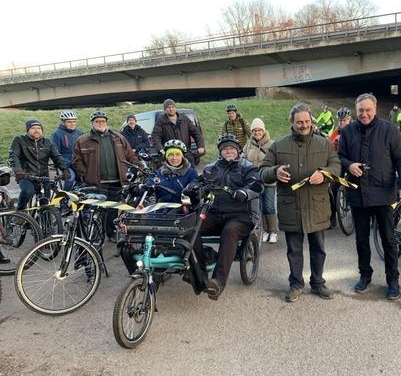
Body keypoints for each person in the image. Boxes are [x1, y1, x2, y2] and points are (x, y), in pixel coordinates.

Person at [260, 103, 340, 303]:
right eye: (299, 122)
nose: (303, 125)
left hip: (317, 204)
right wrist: (274, 172)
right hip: (291, 205)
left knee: (318, 248)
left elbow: (336, 166)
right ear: (292, 123)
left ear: (311, 121)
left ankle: (318, 282)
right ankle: (296, 284)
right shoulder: (279, 145)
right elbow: (262, 171)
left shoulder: (324, 144)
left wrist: (325, 174)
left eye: (306, 121)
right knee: (294, 249)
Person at [338, 93, 401, 300]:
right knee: (361, 240)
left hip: (383, 194)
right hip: (357, 195)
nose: (364, 114)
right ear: (356, 110)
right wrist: (349, 165)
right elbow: (339, 157)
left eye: (368, 110)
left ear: (375, 109)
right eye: (361, 110)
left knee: (388, 240)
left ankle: (393, 280)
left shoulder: (389, 130)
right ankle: (365, 275)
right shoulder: (348, 131)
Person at [197, 133, 263, 300]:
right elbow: (199, 183)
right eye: (225, 149)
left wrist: (245, 192)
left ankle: (218, 281)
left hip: (241, 216)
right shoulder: (211, 168)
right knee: (191, 226)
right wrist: (194, 189)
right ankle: (200, 268)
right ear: (220, 151)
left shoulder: (247, 167)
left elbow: (257, 185)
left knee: (230, 231)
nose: (228, 151)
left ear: (238, 150)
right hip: (215, 213)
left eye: (231, 148)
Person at [119, 139, 198, 274]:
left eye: (177, 154)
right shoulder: (160, 173)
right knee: (145, 227)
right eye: (171, 155)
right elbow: (148, 187)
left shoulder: (191, 173)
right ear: (166, 156)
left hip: (183, 212)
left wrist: (192, 190)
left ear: (182, 156)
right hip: (161, 211)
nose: (174, 158)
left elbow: (196, 191)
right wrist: (137, 189)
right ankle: (149, 257)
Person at [72, 110, 141, 241]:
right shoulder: (82, 140)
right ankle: (97, 234)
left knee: (113, 209)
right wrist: (85, 174)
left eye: (102, 121)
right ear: (92, 123)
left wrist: (139, 167)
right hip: (97, 182)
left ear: (106, 122)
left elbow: (130, 156)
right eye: (97, 121)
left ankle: (111, 232)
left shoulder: (118, 138)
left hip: (117, 180)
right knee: (98, 210)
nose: (100, 123)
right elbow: (77, 161)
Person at [9, 120, 69, 211]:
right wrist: (18, 171)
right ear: (27, 130)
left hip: (43, 177)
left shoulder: (47, 142)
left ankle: (46, 222)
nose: (36, 130)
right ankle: (20, 214)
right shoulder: (19, 140)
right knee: (27, 191)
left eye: (39, 128)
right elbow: (14, 156)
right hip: (26, 175)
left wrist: (65, 170)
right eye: (33, 128)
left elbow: (57, 157)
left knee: (46, 203)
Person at [243, 118, 278, 244]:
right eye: (254, 130)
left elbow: (276, 161)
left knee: (269, 206)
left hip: (268, 180)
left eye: (259, 130)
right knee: (260, 207)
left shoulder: (272, 144)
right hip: (255, 180)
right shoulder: (248, 144)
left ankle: (273, 231)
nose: (257, 133)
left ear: (263, 130)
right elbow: (243, 158)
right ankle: (265, 231)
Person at [151, 99, 205, 165]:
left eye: (173, 107)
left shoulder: (184, 119)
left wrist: (201, 146)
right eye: (168, 107)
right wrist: (161, 149)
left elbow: (196, 132)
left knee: (191, 173)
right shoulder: (160, 121)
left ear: (175, 108)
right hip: (171, 156)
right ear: (165, 110)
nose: (171, 109)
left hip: (186, 154)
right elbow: (155, 136)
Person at [327, 107, 352, 227]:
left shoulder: (355, 130)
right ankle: (332, 217)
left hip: (352, 163)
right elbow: (329, 149)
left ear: (349, 120)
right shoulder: (335, 133)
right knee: (332, 189)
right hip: (339, 164)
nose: (342, 123)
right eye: (341, 121)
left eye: (345, 120)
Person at [51, 110, 83, 190]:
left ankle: (78, 195)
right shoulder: (56, 134)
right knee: (70, 178)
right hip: (65, 164)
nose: (72, 124)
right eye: (69, 122)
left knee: (88, 178)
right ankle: (64, 198)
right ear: (63, 122)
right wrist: (67, 163)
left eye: (74, 121)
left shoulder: (79, 133)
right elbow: (55, 152)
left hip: (77, 162)